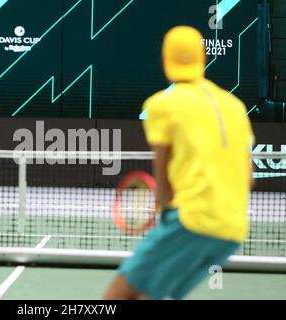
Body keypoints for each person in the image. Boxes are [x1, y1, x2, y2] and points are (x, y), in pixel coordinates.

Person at [104, 26, 255, 300]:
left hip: (191, 221)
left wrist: (165, 214)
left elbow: (163, 179)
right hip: (232, 231)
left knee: (117, 295)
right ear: (203, 59)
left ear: (164, 60)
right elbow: (248, 178)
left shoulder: (161, 106)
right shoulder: (235, 106)